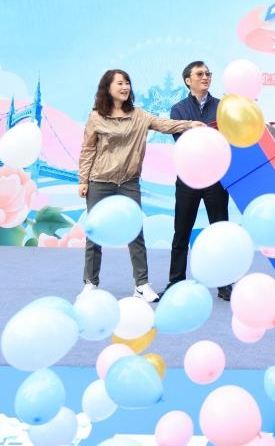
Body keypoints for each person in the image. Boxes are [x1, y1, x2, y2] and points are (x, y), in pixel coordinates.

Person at [78, 69, 203, 302]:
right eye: (119, 83)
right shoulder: (96, 117)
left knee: (136, 233)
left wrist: (189, 125)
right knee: (94, 233)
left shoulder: (139, 116)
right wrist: (83, 180)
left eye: (127, 83)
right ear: (107, 88)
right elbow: (88, 150)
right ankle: (90, 283)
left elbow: (164, 124)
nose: (125, 87)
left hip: (128, 183)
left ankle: (142, 285)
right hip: (100, 181)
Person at [164, 61, 234, 301]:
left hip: (216, 178)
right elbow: (183, 141)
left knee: (220, 232)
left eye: (208, 74)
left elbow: (228, 139)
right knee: (181, 232)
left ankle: (224, 284)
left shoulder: (222, 107)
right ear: (188, 80)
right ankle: (175, 281)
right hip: (188, 178)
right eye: (200, 74)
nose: (205, 77)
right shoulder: (178, 110)